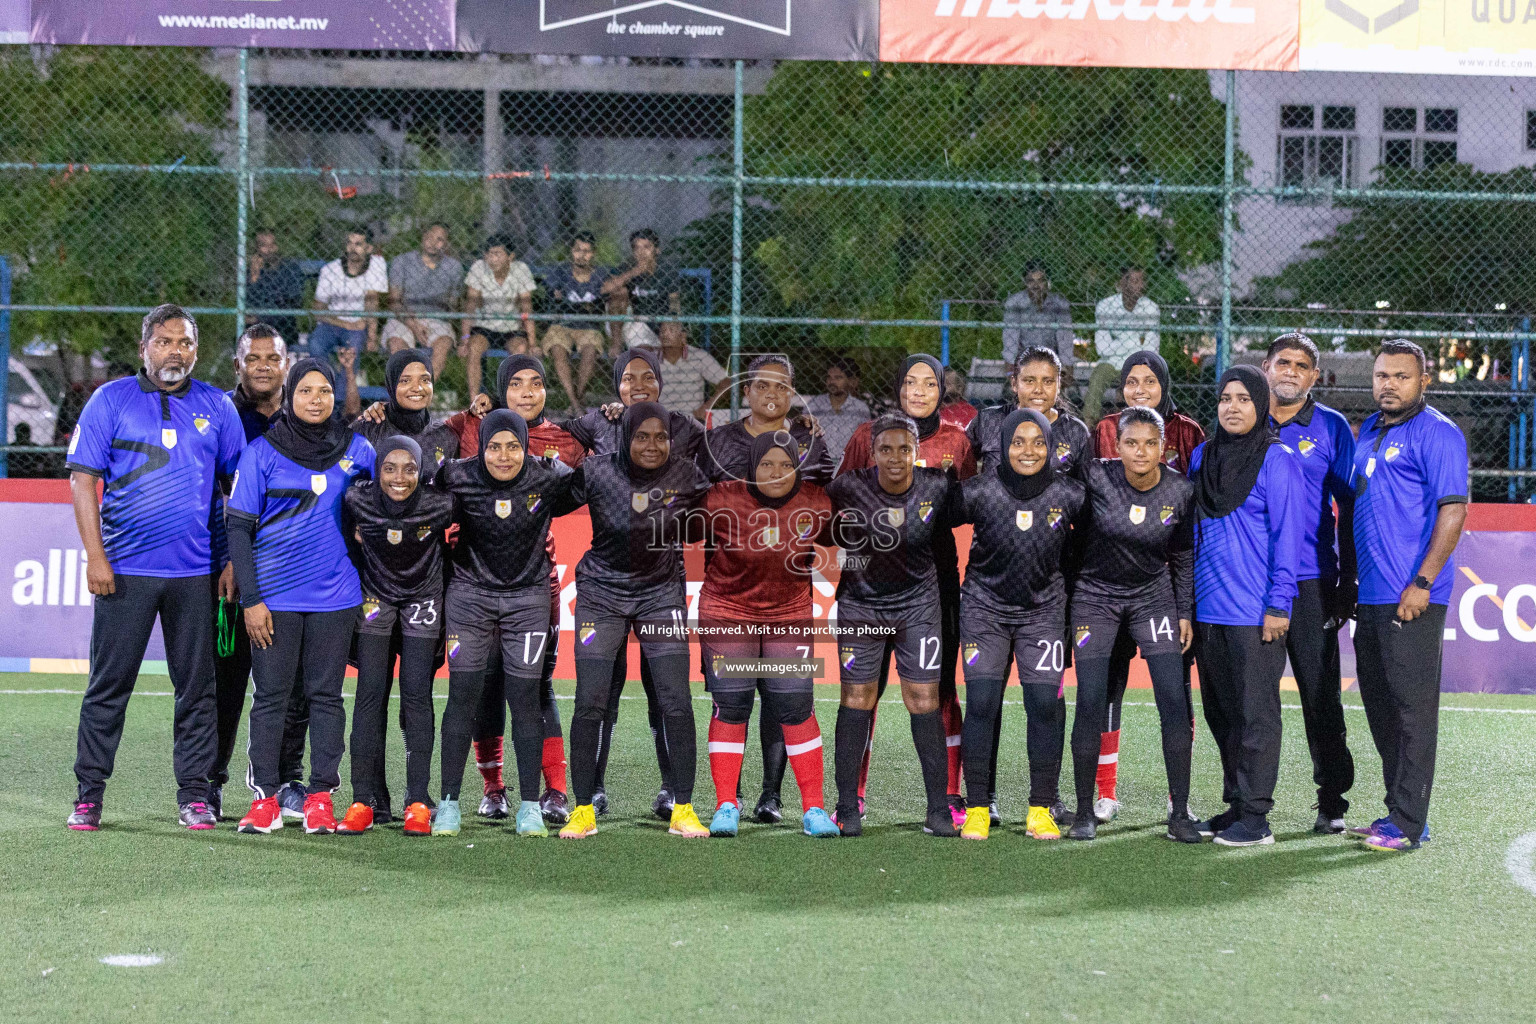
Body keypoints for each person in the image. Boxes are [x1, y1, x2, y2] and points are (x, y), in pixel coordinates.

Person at [63, 304, 245, 832]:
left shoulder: (218, 406)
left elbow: (236, 489)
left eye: (185, 343)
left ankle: (194, 794)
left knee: (197, 688)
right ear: (145, 348)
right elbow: (81, 481)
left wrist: (232, 558)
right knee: (108, 685)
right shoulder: (110, 400)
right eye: (165, 342)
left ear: (195, 350)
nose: (175, 351)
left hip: (196, 575)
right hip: (124, 572)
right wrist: (96, 556)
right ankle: (89, 794)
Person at [227, 358, 375, 835]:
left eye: (325, 391)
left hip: (337, 598)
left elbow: (387, 504)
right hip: (274, 600)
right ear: (290, 396)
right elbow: (238, 527)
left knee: (326, 697)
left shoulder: (358, 451)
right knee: (271, 697)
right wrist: (251, 599)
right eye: (307, 390)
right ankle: (266, 799)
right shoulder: (262, 453)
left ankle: (319, 797)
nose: (316, 399)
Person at [558, 402, 712, 839]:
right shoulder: (596, 471)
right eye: (641, 436)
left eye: (660, 437)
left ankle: (684, 807)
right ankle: (583, 809)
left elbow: (717, 513)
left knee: (675, 699)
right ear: (625, 436)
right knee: (591, 700)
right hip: (600, 595)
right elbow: (545, 505)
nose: (651, 445)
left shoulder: (685, 474)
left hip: (660, 595)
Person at [837, 355, 975, 823]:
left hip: (934, 586)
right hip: (868, 590)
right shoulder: (865, 437)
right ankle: (852, 796)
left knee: (939, 691)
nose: (919, 390)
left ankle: (949, 796)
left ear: (942, 389)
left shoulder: (958, 440)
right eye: (910, 382)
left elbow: (969, 503)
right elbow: (840, 501)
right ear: (898, 387)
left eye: (929, 383)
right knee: (862, 694)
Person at [444, 354, 581, 824]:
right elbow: (428, 454)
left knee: (536, 689)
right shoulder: (469, 425)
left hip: (534, 586)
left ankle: (555, 791)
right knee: (482, 689)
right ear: (500, 392)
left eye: (537, 383)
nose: (527, 391)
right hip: (474, 583)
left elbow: (587, 481)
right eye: (516, 383)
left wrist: (604, 419)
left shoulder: (564, 440)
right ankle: (493, 788)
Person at [698, 353, 834, 824]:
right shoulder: (716, 475)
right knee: (732, 701)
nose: (773, 395)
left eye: (783, 387)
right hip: (729, 608)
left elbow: (846, 520)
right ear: (746, 392)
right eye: (763, 386)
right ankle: (725, 805)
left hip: (787, 611)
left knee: (793, 701)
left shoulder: (814, 461)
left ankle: (808, 807)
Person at [1346, 339, 1468, 853]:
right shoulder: (1368, 430)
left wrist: (1422, 582)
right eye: (1381, 375)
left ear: (1424, 381)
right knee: (1380, 707)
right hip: (1370, 595)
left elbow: (1455, 509)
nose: (1388, 384)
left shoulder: (1439, 433)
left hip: (1411, 595)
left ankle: (1410, 823)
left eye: (1400, 376)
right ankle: (1399, 811)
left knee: (1413, 710)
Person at [1065, 407, 1199, 843]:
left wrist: (1184, 612)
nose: (1141, 452)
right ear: (1117, 446)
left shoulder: (1180, 490)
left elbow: (1181, 555)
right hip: (1095, 598)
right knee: (1090, 699)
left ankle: (1179, 812)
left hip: (1152, 598)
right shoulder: (1096, 477)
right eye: (1131, 443)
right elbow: (1070, 535)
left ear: (1165, 448)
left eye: (1150, 444)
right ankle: (1085, 811)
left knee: (1173, 700)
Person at [954, 408, 1085, 840]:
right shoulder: (978, 492)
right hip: (984, 609)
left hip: (1043, 613)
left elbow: (1086, 548)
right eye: (1018, 442)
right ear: (1003, 446)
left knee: (1045, 706)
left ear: (1051, 447)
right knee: (983, 704)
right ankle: (976, 807)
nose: (1028, 451)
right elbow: (933, 522)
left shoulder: (1070, 494)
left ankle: (1040, 809)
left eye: (1038, 443)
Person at [1089, 349, 1205, 823]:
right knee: (1109, 687)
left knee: (1175, 690)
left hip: (1162, 588)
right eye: (1131, 382)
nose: (1140, 389)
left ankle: (1181, 802)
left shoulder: (1189, 432)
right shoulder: (1106, 430)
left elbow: (1187, 519)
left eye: (1149, 381)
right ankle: (1105, 791)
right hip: (1108, 584)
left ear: (1164, 385)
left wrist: (1184, 603)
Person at [1191, 366, 1305, 847]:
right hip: (1207, 612)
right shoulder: (1202, 456)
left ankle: (1256, 818)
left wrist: (1279, 605)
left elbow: (1288, 538)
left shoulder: (1277, 460)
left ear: (1260, 406)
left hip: (1254, 613)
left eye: (1243, 398)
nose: (1232, 407)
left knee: (1256, 715)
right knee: (1221, 714)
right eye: (1224, 398)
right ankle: (1236, 804)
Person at [208, 324, 312, 822]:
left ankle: (286, 780)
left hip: (292, 574)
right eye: (255, 358)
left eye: (274, 357)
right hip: (232, 573)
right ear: (239, 365)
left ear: (287, 364)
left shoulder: (307, 413)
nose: (265, 366)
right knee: (225, 682)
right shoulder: (221, 415)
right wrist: (232, 558)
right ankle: (209, 783)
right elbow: (226, 492)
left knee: (291, 687)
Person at [1262, 333, 1358, 833]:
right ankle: (1249, 801)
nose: (1291, 372)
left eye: (1302, 366)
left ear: (1313, 377)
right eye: (1283, 362)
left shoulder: (1332, 428)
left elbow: (1350, 507)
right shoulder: (1243, 416)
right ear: (1266, 366)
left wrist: (1348, 578)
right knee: (1253, 699)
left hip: (1313, 580)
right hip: (1253, 586)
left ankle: (1332, 802)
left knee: (1320, 696)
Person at [337, 436, 453, 837]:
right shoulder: (357, 500)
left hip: (423, 601)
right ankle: (362, 801)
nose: (399, 478)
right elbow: (346, 541)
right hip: (375, 599)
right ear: (377, 471)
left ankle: (418, 800)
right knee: (369, 694)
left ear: (421, 472)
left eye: (409, 469)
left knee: (417, 694)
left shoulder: (441, 504)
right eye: (390, 468)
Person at [968, 345, 1093, 479]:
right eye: (1029, 381)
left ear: (1059, 385)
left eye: (1048, 381)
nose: (1038, 389)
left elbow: (1084, 489)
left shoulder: (1075, 431)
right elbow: (963, 471)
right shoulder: (988, 421)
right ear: (1014, 384)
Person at [384, 224, 468, 395]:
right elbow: (393, 301)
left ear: (446, 244)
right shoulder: (402, 262)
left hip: (437, 317)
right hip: (405, 316)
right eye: (429, 237)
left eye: (439, 239)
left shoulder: (453, 267)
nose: (432, 243)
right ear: (423, 237)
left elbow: (454, 306)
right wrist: (413, 324)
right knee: (397, 345)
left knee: (443, 344)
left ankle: (421, 394)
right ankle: (401, 396)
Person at [310, 227, 387, 417]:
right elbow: (317, 309)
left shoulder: (376, 265)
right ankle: (329, 394)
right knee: (316, 344)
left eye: (359, 244)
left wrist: (371, 334)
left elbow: (372, 300)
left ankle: (339, 408)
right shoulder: (331, 269)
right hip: (332, 323)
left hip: (358, 326)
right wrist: (347, 324)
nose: (353, 248)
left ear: (369, 248)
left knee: (353, 349)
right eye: (349, 243)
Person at [353, 348, 460, 475]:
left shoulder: (446, 436)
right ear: (391, 384)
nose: (417, 388)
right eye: (405, 380)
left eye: (425, 380)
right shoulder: (367, 430)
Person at [542, 230, 611, 414]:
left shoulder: (601, 274)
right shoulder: (561, 271)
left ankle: (575, 400)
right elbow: (555, 298)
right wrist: (586, 306)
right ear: (571, 251)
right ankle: (575, 404)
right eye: (578, 250)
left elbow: (602, 300)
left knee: (590, 352)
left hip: (589, 325)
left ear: (593, 253)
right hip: (562, 324)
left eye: (587, 251)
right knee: (558, 349)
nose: (582, 255)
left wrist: (573, 305)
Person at [1085, 266, 1160, 425]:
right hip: (1112, 363)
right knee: (1098, 375)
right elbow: (1102, 348)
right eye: (1133, 281)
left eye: (1141, 281)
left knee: (1155, 377)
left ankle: (1151, 423)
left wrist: (1118, 343)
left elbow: (1151, 350)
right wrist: (1136, 342)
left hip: (1140, 364)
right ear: (1122, 283)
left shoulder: (1151, 308)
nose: (1138, 286)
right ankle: (1089, 424)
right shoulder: (1106, 306)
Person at [601, 227, 681, 350]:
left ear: (657, 250)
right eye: (637, 248)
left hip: (655, 323)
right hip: (627, 321)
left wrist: (673, 320)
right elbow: (604, 289)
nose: (641, 252)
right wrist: (635, 271)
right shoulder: (627, 266)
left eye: (646, 247)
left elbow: (675, 302)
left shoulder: (666, 270)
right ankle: (616, 347)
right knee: (619, 292)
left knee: (652, 350)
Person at [462, 234, 538, 361]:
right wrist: (465, 339)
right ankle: (473, 382)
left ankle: (512, 381)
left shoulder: (521, 269)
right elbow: (470, 305)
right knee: (473, 348)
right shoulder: (479, 267)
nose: (492, 259)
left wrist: (532, 343)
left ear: (510, 257)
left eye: (497, 254)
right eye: (489, 254)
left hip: (511, 327)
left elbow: (527, 307)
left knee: (520, 350)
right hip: (484, 326)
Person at [645, 321, 730, 421]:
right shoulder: (649, 360)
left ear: (683, 336)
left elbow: (727, 383)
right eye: (662, 331)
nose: (665, 334)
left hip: (692, 422)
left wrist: (708, 405)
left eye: (671, 330)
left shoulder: (699, 356)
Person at [1001, 261, 1076, 374]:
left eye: (1041, 281)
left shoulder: (1060, 304)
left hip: (1051, 358)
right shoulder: (1014, 303)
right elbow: (1010, 339)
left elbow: (1064, 338)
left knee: (1063, 383)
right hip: (1023, 358)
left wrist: (1067, 366)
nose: (1036, 286)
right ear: (1025, 282)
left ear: (1048, 282)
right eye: (1031, 281)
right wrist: (1011, 368)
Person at [803, 356, 870, 466]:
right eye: (829, 377)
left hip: (847, 465)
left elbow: (864, 443)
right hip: (819, 464)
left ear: (849, 381)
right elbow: (803, 438)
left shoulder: (860, 408)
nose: (832, 382)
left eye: (838, 378)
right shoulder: (813, 406)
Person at [246, 230, 306, 348]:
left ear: (278, 246)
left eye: (272, 245)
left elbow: (294, 302)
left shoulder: (290, 269)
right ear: (257, 249)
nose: (268, 250)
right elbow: (248, 304)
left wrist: (260, 316)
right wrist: (254, 277)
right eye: (263, 245)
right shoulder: (252, 271)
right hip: (257, 324)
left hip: (283, 323)